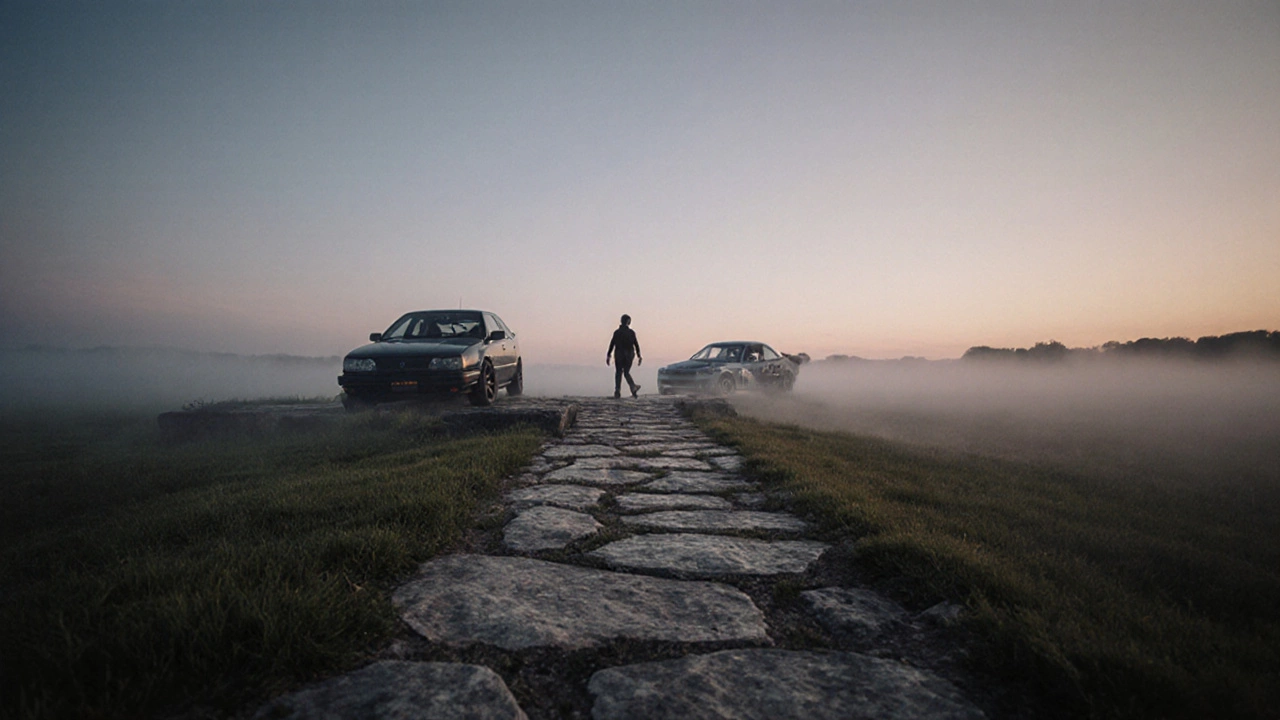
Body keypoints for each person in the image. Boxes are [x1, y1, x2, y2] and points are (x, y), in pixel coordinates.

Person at [606, 314, 643, 398]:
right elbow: (636, 345)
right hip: (629, 354)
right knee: (626, 372)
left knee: (618, 372)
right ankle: (633, 387)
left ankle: (617, 390)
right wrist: (639, 356)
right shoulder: (631, 333)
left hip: (619, 354)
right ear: (628, 322)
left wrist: (608, 355)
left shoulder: (617, 332)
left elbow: (612, 344)